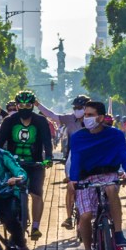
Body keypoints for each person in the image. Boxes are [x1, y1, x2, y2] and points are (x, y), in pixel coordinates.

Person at [67, 101, 126, 250]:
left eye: (90, 115)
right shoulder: (78, 137)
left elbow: (124, 156)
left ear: (101, 117)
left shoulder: (116, 135)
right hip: (85, 179)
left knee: (111, 189)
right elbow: (75, 159)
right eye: (85, 115)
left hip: (108, 175)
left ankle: (118, 233)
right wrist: (73, 180)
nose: (86, 118)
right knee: (86, 215)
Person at [0, 90, 54, 241]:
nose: (24, 107)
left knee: (36, 194)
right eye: (21, 105)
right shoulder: (9, 121)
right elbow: (0, 143)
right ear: (16, 105)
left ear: (33, 105)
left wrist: (48, 158)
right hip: (13, 164)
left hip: (35, 164)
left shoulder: (41, 121)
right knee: (9, 194)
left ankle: (35, 226)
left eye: (28, 104)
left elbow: (47, 142)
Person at [37, 94, 90, 229]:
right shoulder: (69, 119)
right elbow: (52, 115)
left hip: (93, 155)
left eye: (80, 107)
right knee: (71, 186)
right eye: (75, 108)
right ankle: (69, 217)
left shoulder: (95, 119)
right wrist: (37, 104)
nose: (77, 110)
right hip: (74, 155)